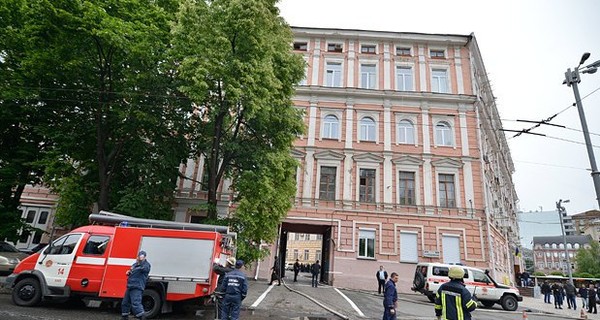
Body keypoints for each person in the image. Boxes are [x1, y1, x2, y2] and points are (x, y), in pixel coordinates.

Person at [121, 250, 151, 320]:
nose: (139, 258)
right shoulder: (134, 265)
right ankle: (124, 317)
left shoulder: (146, 265)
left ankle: (142, 317)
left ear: (144, 257)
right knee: (125, 303)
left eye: (141, 256)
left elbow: (146, 269)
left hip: (137, 287)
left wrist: (141, 264)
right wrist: (129, 272)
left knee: (136, 303)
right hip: (130, 286)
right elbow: (131, 271)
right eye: (139, 256)